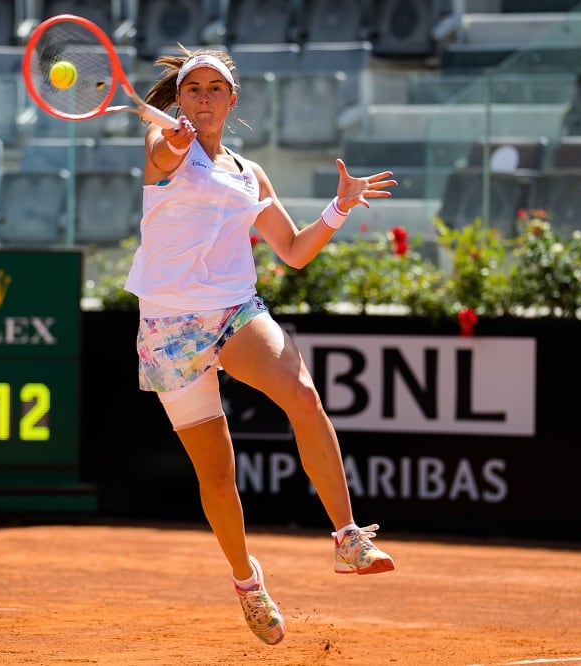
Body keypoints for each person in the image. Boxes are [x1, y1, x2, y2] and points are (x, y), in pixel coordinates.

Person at [123, 48, 398, 646]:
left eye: (213, 89)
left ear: (231, 100)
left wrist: (339, 206)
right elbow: (166, 151)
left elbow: (294, 250)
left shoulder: (250, 174)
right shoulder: (160, 144)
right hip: (169, 326)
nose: (201, 97)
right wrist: (173, 138)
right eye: (190, 88)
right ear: (179, 97)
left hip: (233, 308)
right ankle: (248, 583)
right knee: (218, 476)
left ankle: (348, 536)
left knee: (302, 394)